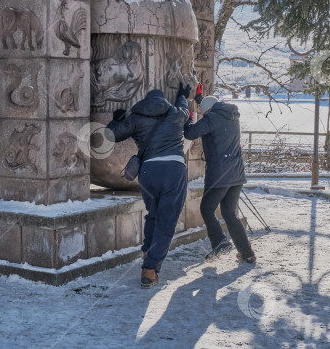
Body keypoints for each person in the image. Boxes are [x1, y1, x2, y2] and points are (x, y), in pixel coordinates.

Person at [107, 83, 192, 288]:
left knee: (153, 214)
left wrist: (115, 120)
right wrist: (182, 96)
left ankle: (148, 251)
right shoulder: (175, 113)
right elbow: (186, 112)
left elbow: (112, 136)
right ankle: (150, 269)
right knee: (167, 222)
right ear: (163, 101)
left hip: (148, 171)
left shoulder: (136, 117)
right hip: (173, 170)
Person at [184, 86, 255, 264]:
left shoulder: (211, 118)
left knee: (207, 208)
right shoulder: (230, 115)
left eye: (203, 112)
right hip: (236, 175)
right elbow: (211, 110)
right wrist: (201, 101)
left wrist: (188, 116)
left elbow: (190, 132)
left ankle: (220, 242)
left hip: (220, 176)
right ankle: (247, 254)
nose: (202, 115)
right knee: (229, 213)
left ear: (207, 112)